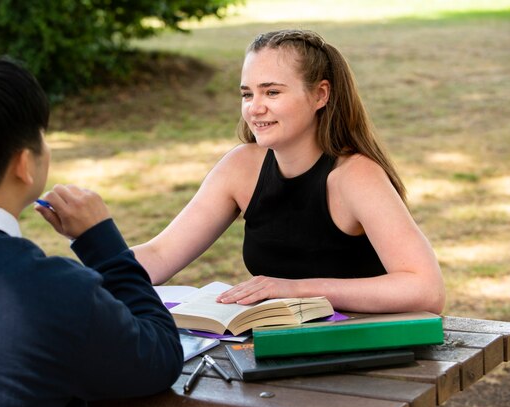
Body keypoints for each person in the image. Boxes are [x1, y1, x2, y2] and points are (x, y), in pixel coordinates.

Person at [44, 29, 446, 315]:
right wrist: (84, 252)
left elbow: (425, 289)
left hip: (371, 356)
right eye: (247, 93)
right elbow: (161, 254)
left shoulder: (355, 175)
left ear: (320, 95)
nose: (255, 107)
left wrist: (295, 290)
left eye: (272, 92)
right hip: (277, 348)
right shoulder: (241, 167)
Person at [0, 59, 183, 407]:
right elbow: (159, 359)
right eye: (42, 137)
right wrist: (103, 244)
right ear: (24, 164)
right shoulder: (56, 292)